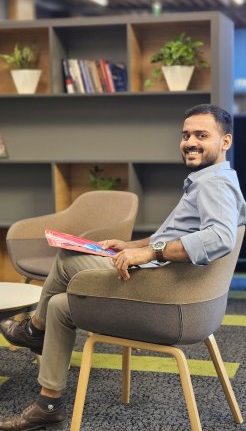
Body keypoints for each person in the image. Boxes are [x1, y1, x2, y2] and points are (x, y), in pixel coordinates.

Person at [0, 104, 245, 430]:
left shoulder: (214, 185)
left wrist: (148, 253)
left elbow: (219, 238)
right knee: (61, 304)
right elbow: (181, 237)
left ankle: (33, 329)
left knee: (68, 258)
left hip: (169, 304)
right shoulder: (213, 181)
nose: (190, 142)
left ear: (225, 141)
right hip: (187, 300)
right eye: (186, 135)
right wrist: (133, 246)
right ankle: (48, 404)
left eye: (202, 135)